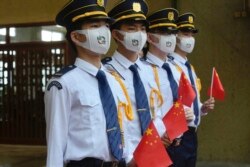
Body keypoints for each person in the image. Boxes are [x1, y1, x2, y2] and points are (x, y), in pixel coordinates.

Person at [44, 0, 128, 166]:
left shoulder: (113, 79)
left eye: (105, 26)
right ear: (76, 36)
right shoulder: (63, 83)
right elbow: (55, 142)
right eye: (95, 26)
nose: (103, 32)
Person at [102, 0, 166, 166]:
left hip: (153, 155)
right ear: (116, 35)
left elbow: (155, 111)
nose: (139, 34)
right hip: (124, 160)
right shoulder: (105, 74)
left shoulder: (149, 71)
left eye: (143, 29)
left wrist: (162, 135)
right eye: (132, 29)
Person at [167, 13, 215, 167]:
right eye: (185, 34)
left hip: (192, 133)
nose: (189, 39)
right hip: (177, 133)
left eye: (191, 35)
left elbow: (192, 103)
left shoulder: (190, 67)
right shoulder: (168, 66)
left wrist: (202, 108)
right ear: (175, 36)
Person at [144, 8, 195, 148]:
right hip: (157, 141)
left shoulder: (175, 68)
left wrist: (190, 113)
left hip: (180, 140)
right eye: (164, 33)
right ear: (150, 37)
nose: (170, 37)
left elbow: (183, 100)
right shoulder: (143, 70)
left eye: (172, 33)